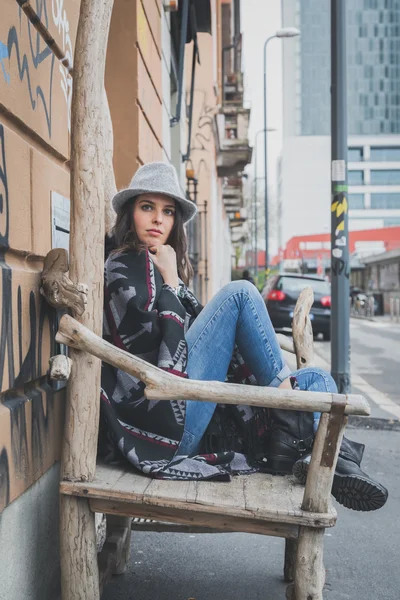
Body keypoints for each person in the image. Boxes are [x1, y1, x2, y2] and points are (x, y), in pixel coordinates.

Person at [100, 161, 387, 512]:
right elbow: (161, 355)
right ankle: (304, 431)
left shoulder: (158, 265)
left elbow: (192, 330)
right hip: (165, 423)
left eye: (168, 211)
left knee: (316, 379)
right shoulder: (123, 266)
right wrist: (173, 283)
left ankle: (316, 452)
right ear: (131, 213)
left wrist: (173, 281)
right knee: (240, 293)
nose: (159, 219)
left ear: (176, 221)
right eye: (148, 207)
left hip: (187, 406)